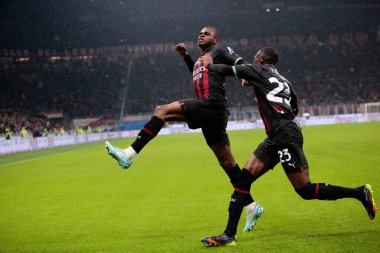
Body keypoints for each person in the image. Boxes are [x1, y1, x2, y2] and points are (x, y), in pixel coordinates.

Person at [198, 47, 377, 247]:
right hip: (278, 135)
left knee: (305, 190)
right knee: (242, 180)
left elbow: (227, 71)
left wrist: (210, 65)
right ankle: (228, 235)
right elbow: (294, 107)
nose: (253, 58)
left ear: (262, 59)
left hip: (284, 136)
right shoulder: (285, 81)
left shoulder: (257, 69)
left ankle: (360, 192)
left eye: (256, 56)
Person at [105, 26, 263, 231]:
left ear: (216, 39)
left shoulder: (221, 51)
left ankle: (129, 154)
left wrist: (246, 75)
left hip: (212, 103)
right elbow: (199, 74)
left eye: (206, 33)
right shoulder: (201, 60)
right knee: (227, 162)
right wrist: (186, 57)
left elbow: (240, 62)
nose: (201, 35)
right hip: (212, 111)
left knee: (162, 111)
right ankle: (251, 206)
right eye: (200, 33)